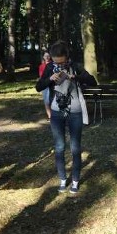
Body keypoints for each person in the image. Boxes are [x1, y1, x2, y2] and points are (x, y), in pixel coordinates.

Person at [35, 41, 96, 195]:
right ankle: (63, 179)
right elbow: (38, 87)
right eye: (56, 62)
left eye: (62, 62)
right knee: (59, 147)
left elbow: (92, 81)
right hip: (56, 113)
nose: (59, 65)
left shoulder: (75, 66)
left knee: (75, 148)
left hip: (75, 112)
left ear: (67, 57)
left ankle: (75, 180)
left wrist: (76, 77)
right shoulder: (49, 67)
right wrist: (50, 79)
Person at [39, 51, 53, 119]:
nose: (47, 57)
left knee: (52, 100)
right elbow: (41, 76)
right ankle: (50, 116)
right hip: (45, 85)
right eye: (45, 56)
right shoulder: (41, 66)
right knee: (46, 101)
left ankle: (55, 115)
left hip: (52, 84)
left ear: (50, 57)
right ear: (43, 57)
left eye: (48, 56)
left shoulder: (53, 64)